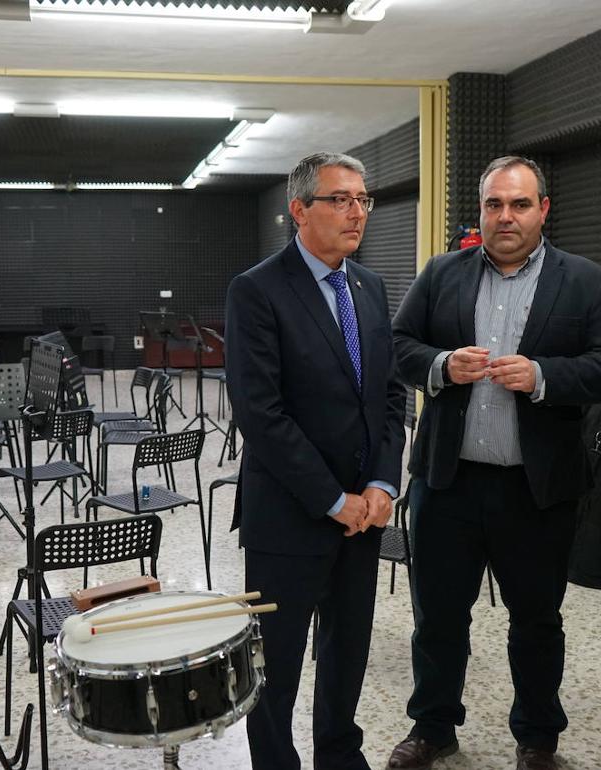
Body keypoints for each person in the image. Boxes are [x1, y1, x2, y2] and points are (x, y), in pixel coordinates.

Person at [389, 156, 601, 770]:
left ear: (544, 210)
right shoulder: (442, 273)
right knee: (438, 618)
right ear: (481, 211)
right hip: (446, 483)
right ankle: (434, 726)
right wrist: (442, 367)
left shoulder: (585, 281)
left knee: (536, 621)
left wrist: (545, 376)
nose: (506, 216)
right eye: (495, 204)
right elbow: (397, 347)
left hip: (537, 489)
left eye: (520, 204)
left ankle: (537, 738)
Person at [225, 152, 407, 770]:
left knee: (346, 650)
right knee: (273, 665)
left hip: (364, 514)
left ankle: (339, 755)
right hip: (292, 515)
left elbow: (388, 394)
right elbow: (262, 414)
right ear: (299, 210)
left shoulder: (371, 286)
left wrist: (382, 483)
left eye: (363, 199)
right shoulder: (257, 291)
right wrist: (334, 500)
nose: (357, 212)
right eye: (340, 199)